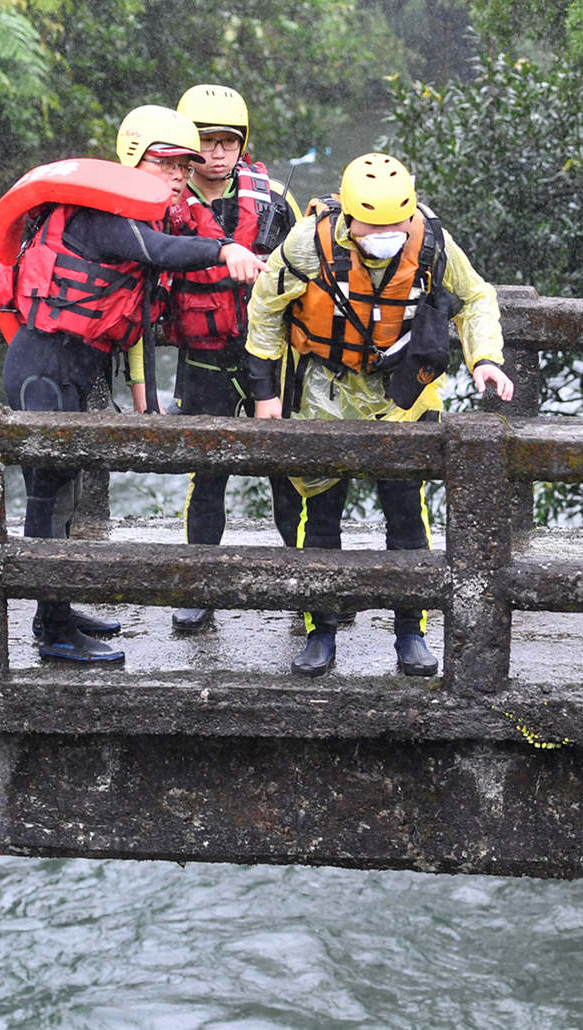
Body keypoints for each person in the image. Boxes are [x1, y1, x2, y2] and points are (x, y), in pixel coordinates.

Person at [0, 105, 265, 664]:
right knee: (48, 497)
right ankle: (53, 633)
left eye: (184, 164)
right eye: (166, 162)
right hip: (41, 369)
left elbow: (139, 305)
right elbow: (159, 253)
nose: (178, 174)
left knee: (66, 493)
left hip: (72, 369)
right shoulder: (99, 214)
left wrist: (143, 392)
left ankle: (60, 609)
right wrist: (225, 249)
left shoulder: (132, 217)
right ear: (133, 158)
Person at [242, 152, 514, 678]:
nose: (387, 232)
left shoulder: (432, 240)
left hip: (401, 393)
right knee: (320, 513)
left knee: (406, 512)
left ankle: (410, 632)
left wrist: (485, 359)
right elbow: (265, 306)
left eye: (396, 223)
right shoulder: (309, 241)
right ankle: (320, 631)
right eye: (374, 224)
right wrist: (265, 393)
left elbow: (477, 296)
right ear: (348, 217)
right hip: (325, 389)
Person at [164, 85, 301, 634]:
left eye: (228, 142)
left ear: (242, 145)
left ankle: (307, 586)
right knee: (209, 473)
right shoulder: (165, 204)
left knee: (290, 473)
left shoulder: (273, 201)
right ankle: (201, 587)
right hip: (203, 355)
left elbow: (311, 267)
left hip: (270, 355)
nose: (217, 153)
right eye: (206, 141)